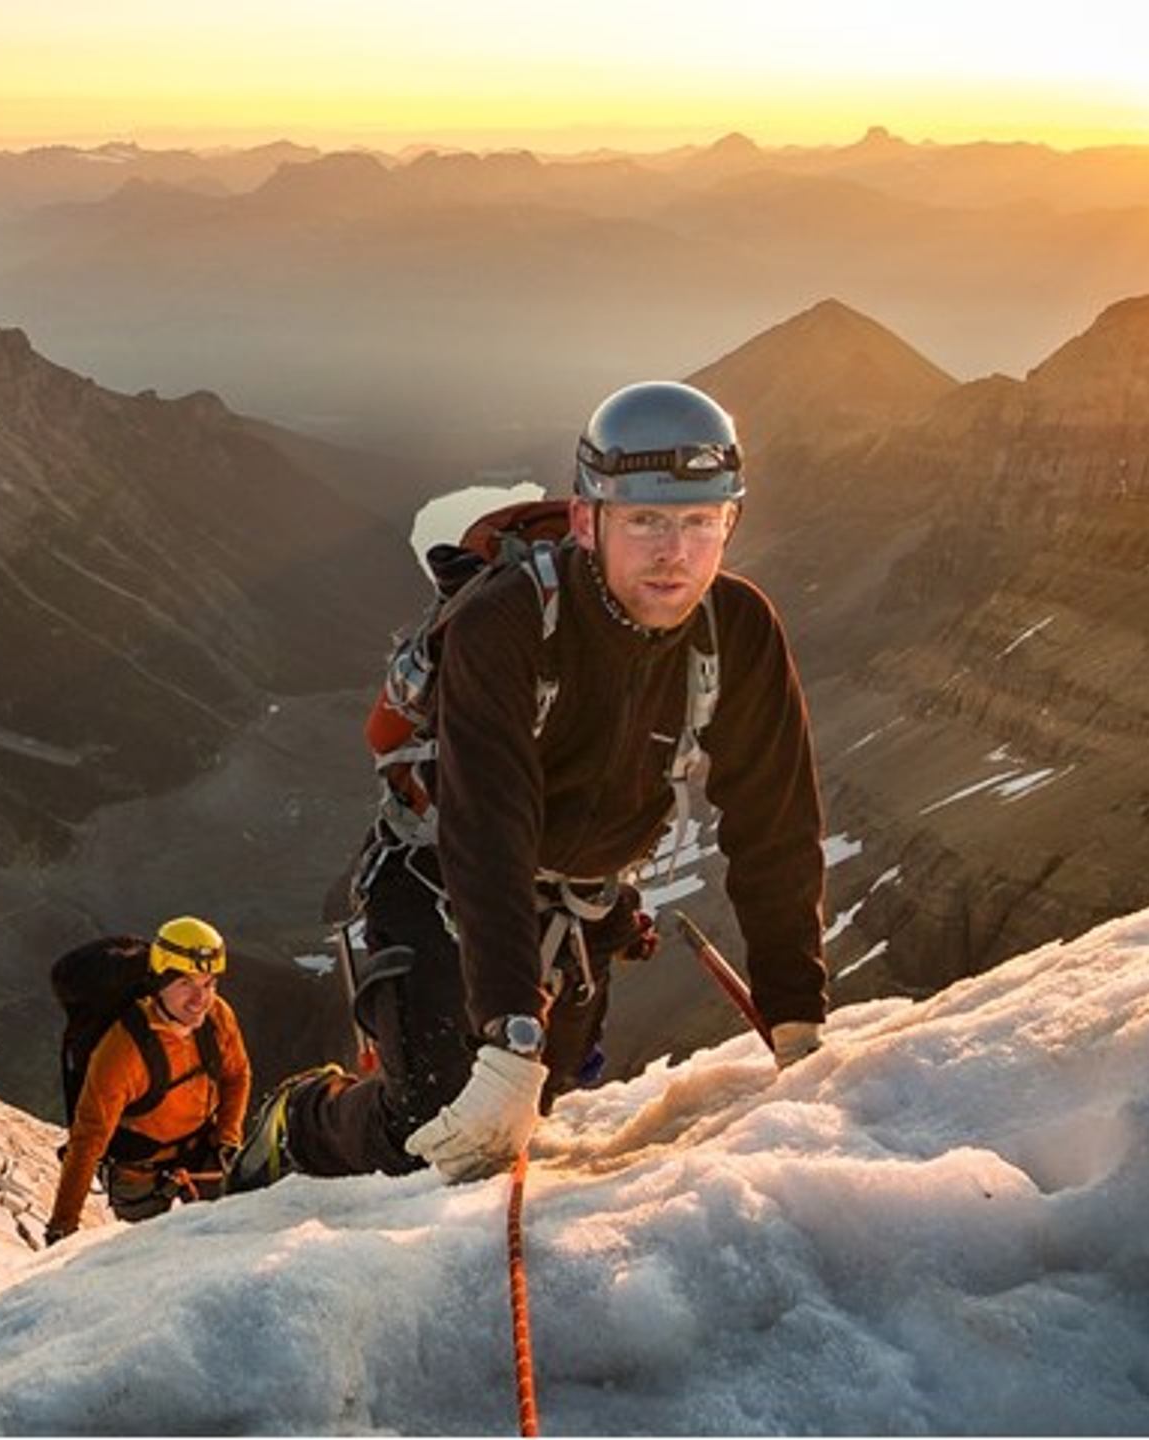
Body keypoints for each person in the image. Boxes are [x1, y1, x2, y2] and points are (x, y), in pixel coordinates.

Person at [231, 380, 828, 1190]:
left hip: (582, 901)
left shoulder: (739, 630)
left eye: (701, 523)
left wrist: (796, 1016)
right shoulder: (508, 624)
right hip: (441, 874)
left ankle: (488, 1072)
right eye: (645, 520)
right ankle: (300, 1123)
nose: (675, 553)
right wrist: (511, 1039)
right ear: (587, 521)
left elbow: (775, 826)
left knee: (525, 1121)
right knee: (434, 1130)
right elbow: (489, 831)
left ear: (731, 523)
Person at [45, 916, 252, 1243]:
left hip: (202, 1151)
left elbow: (236, 1075)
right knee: (147, 1259)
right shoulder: (124, 1049)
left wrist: (228, 1137)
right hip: (137, 1172)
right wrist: (63, 1223)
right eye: (186, 984)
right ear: (159, 982)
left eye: (209, 983)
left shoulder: (218, 1017)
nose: (201, 1000)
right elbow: (89, 1138)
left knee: (229, 1240)